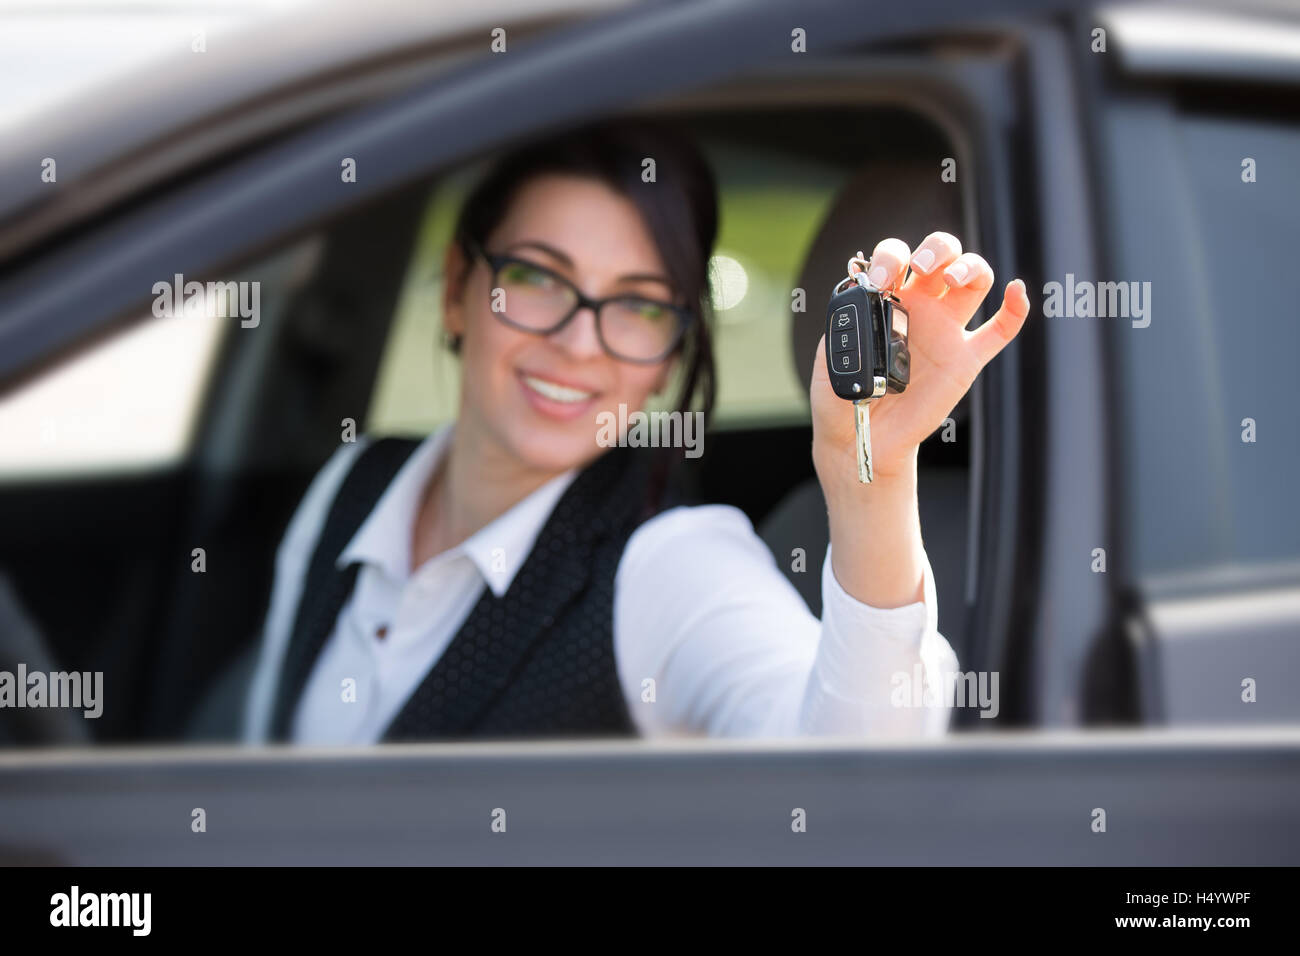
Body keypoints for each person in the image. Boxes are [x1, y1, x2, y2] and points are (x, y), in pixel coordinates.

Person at [241, 118, 1031, 745]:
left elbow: (857, 780)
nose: (580, 343)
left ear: (670, 356)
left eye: (640, 304)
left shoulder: (669, 566)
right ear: (457, 289)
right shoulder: (353, 486)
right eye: (539, 278)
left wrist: (873, 480)